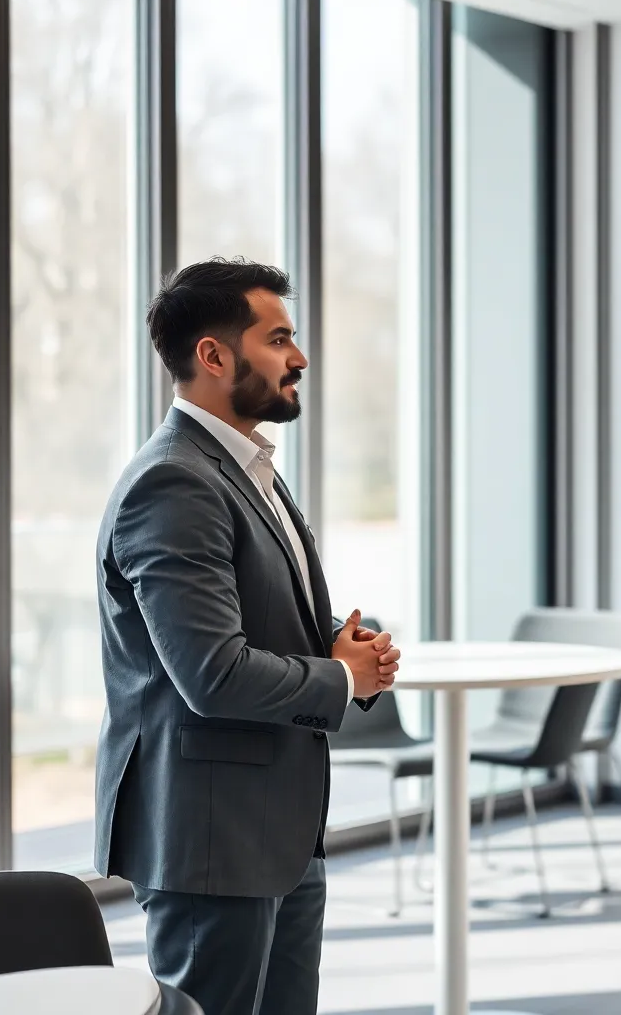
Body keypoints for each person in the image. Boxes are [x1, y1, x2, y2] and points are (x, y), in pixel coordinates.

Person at [94, 258, 400, 1015]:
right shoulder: (173, 481)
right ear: (214, 355)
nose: (299, 358)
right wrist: (342, 678)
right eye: (279, 339)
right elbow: (211, 671)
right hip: (212, 837)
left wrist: (341, 639)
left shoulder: (247, 465)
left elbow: (252, 608)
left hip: (278, 829)